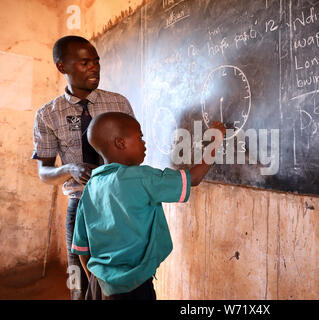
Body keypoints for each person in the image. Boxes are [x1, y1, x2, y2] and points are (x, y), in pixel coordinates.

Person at [70, 112, 226, 300]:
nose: (145, 143)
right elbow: (194, 178)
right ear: (121, 143)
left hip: (99, 284)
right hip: (133, 285)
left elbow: (81, 247)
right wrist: (215, 141)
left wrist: (98, 281)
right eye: (140, 137)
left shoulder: (91, 186)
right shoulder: (141, 177)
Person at [31, 35, 135, 300]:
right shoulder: (48, 114)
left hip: (119, 205)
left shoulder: (118, 104)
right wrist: (71, 169)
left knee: (121, 283)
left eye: (96, 61)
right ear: (62, 67)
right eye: (85, 62)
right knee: (79, 283)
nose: (94, 68)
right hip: (80, 207)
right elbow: (44, 174)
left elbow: (133, 153)